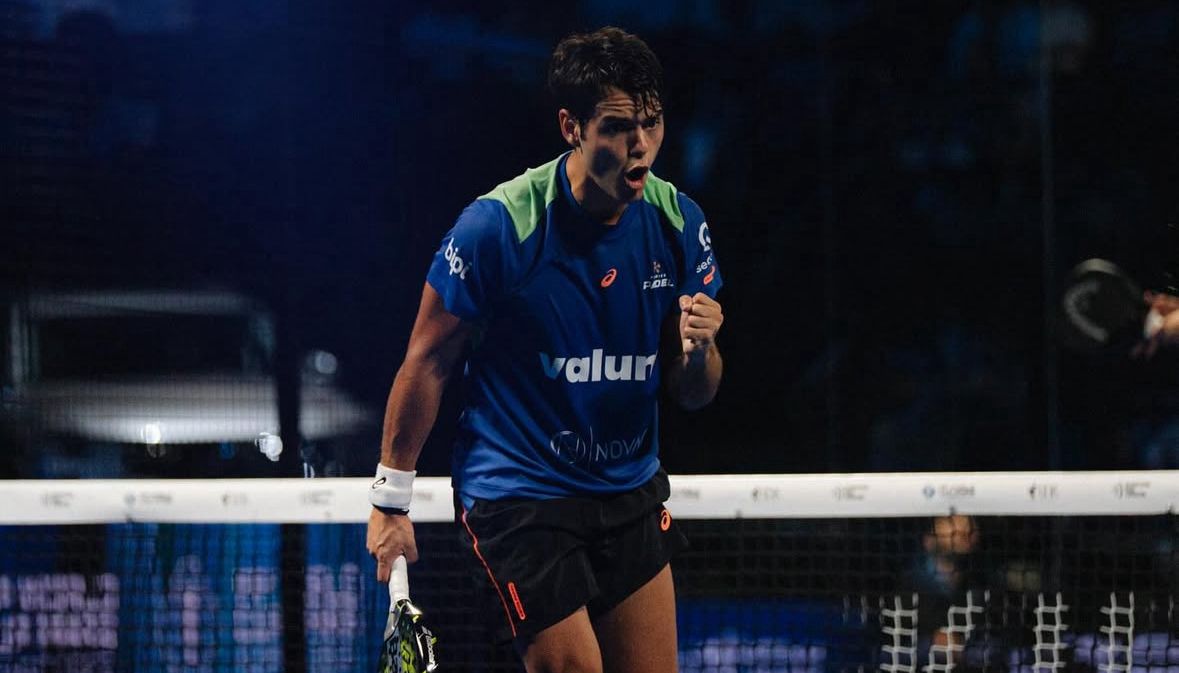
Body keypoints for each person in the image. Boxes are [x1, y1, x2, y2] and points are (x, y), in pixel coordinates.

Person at [365, 27, 724, 673]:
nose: (639, 145)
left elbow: (694, 392)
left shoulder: (679, 222)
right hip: (519, 493)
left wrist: (700, 352)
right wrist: (391, 500)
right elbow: (426, 359)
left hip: (628, 487)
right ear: (571, 127)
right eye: (617, 127)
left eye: (651, 122)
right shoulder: (499, 226)